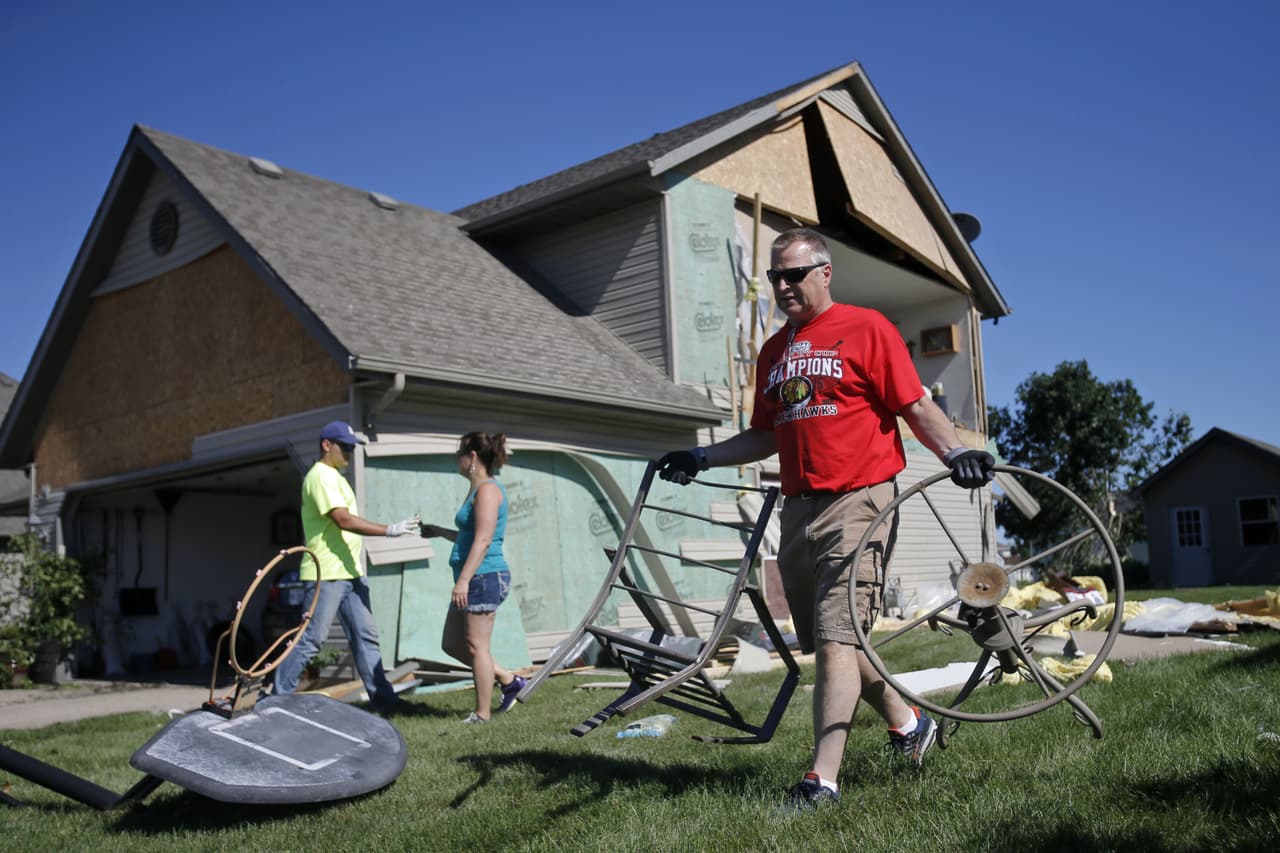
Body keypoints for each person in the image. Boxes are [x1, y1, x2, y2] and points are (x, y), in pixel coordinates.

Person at [657, 227, 994, 810]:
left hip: (860, 500)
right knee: (839, 642)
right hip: (799, 508)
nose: (784, 286)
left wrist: (957, 452)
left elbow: (914, 403)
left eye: (794, 274)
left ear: (824, 272)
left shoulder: (867, 328)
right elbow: (765, 434)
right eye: (775, 277)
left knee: (840, 638)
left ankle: (822, 781)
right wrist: (701, 455)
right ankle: (911, 726)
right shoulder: (773, 351)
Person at [274, 420, 421, 713]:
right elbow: (343, 520)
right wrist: (389, 530)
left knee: (366, 638)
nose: (350, 453)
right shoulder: (319, 477)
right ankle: (276, 701)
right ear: (326, 445)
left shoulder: (337, 477)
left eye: (352, 448)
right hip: (325, 574)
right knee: (312, 640)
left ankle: (386, 702)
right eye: (345, 447)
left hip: (350, 573)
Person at [420, 431, 527, 723]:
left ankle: (482, 714)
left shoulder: (489, 490)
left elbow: (483, 540)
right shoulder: (476, 489)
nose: (457, 459)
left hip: (484, 576)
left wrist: (464, 580)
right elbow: (469, 536)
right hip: (472, 576)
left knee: (477, 646)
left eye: (460, 453)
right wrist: (439, 531)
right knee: (452, 643)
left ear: (473, 458)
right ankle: (509, 680)